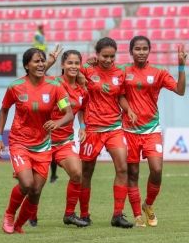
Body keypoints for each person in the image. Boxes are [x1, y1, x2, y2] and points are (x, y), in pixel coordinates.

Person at [0, 47, 74, 234]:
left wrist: (57, 122)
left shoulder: (55, 87)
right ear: (26, 66)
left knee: (36, 190)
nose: (40, 64)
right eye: (36, 61)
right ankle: (9, 215)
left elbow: (68, 114)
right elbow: (4, 110)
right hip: (19, 142)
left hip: (43, 145)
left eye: (42, 61)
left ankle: (19, 225)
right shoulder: (15, 87)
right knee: (27, 183)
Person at [122, 37, 186, 227]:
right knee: (132, 173)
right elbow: (119, 95)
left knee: (156, 169)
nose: (141, 52)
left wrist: (181, 67)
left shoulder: (158, 72)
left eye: (145, 49)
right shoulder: (123, 71)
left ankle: (148, 205)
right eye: (137, 49)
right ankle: (137, 216)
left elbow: (180, 90)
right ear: (130, 51)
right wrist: (128, 110)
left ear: (149, 51)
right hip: (128, 130)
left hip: (151, 129)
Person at [78, 37, 137, 229]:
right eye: (105, 56)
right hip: (92, 128)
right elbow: (69, 77)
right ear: (97, 54)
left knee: (122, 168)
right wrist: (86, 63)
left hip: (114, 127)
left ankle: (117, 215)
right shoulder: (87, 70)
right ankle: (84, 214)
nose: (109, 60)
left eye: (112, 56)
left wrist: (128, 109)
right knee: (86, 172)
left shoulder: (120, 72)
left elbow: (120, 95)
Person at [27, 50, 90, 228]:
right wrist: (49, 62)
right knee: (36, 185)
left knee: (77, 174)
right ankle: (32, 215)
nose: (73, 66)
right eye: (69, 63)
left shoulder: (81, 90)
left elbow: (82, 108)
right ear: (62, 65)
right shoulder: (53, 82)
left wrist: (83, 127)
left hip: (64, 141)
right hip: (42, 141)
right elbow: (35, 77)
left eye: (77, 63)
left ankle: (69, 214)